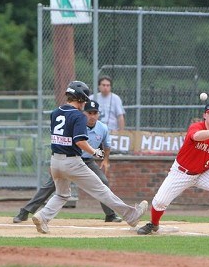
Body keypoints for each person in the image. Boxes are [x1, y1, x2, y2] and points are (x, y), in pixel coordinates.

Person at [31, 81, 148, 234]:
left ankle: (42, 217)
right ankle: (132, 215)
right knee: (101, 190)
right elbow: (79, 141)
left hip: (55, 161)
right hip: (72, 162)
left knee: (62, 194)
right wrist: (95, 152)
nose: (84, 103)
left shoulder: (55, 112)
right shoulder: (79, 116)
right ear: (79, 98)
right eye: (84, 99)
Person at [13, 100, 122, 223]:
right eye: (89, 113)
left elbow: (107, 146)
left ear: (98, 114)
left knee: (103, 181)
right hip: (70, 159)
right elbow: (59, 142)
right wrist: (54, 161)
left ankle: (110, 215)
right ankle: (25, 212)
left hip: (88, 161)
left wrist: (106, 160)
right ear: (83, 113)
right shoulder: (77, 122)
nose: (92, 116)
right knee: (49, 186)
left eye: (95, 113)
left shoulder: (102, 127)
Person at [137, 102, 209, 236]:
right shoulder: (196, 127)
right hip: (182, 171)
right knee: (160, 202)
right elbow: (196, 136)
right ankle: (154, 224)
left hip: (204, 172)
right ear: (204, 115)